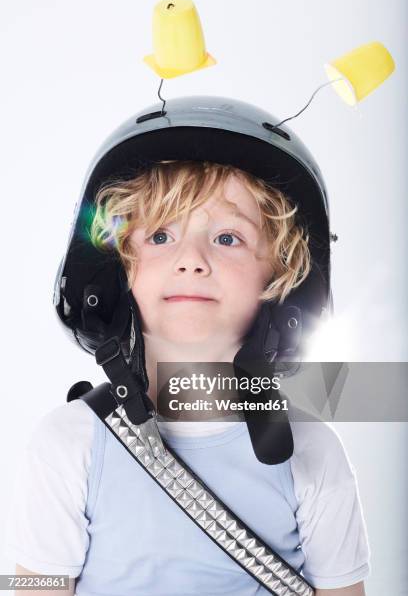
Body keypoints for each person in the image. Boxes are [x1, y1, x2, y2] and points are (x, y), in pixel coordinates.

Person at [5, 159, 370, 595]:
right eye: (160, 235)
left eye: (227, 237)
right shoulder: (69, 443)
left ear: (279, 277)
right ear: (118, 272)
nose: (192, 260)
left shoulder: (313, 451)